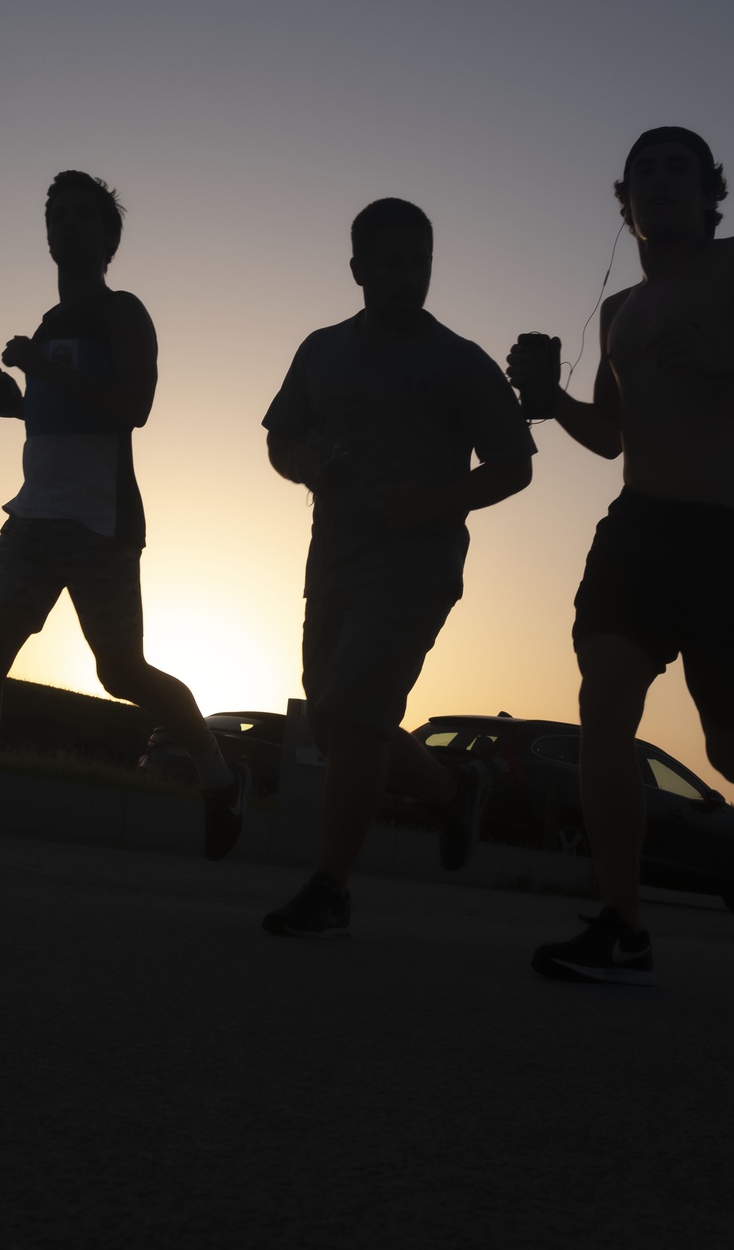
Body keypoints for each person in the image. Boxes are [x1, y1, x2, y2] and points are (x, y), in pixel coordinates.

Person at [508, 127, 734, 985]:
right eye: (645, 169)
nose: (661, 181)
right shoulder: (618, 314)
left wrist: (731, 359)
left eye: (681, 168)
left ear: (712, 196)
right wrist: (548, 397)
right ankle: (623, 926)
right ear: (622, 200)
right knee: (605, 699)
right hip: (639, 529)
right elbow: (612, 436)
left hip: (732, 535)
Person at [0, 171, 252, 880]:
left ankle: (220, 777)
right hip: (33, 517)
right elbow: (66, 413)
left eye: (81, 217)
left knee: (122, 671)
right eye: (56, 215)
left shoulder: (122, 312)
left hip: (101, 522)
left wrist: (43, 368)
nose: (66, 225)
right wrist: (17, 403)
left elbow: (132, 405)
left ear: (108, 239)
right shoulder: (49, 324)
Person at [260, 198, 536, 936]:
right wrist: (300, 463)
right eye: (392, 262)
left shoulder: (459, 360)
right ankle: (453, 790)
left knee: (353, 712)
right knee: (335, 717)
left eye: (421, 263)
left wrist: (435, 501)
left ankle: (330, 888)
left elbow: (515, 465)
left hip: (417, 563)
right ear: (357, 268)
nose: (409, 276)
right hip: (336, 557)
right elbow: (280, 439)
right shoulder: (320, 350)